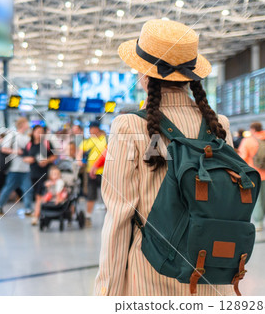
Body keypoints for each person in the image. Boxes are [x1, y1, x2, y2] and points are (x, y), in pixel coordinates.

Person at [95, 19, 235, 296]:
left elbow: (120, 216)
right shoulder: (220, 125)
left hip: (149, 270)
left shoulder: (128, 125)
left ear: (144, 75)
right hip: (207, 270)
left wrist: (106, 292)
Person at [238, 122, 265, 231]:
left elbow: (242, 157)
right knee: (263, 198)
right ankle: (260, 220)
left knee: (256, 198)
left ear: (252, 129)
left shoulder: (248, 141)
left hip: (254, 173)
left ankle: (258, 222)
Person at [0, 117, 33, 216]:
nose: (28, 125)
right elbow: (3, 148)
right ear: (21, 124)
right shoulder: (12, 136)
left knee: (28, 189)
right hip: (14, 168)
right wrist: (16, 152)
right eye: (26, 123)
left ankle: (28, 208)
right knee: (8, 188)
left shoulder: (28, 137)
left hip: (25, 168)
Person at [23, 125, 56, 225]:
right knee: (38, 195)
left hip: (45, 173)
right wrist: (31, 159)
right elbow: (24, 157)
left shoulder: (47, 144)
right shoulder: (29, 145)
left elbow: (54, 156)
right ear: (33, 133)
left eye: (41, 132)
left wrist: (47, 160)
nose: (39, 134)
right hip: (34, 173)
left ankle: (36, 216)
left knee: (39, 195)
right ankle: (41, 214)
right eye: (37, 131)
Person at [76, 121, 107, 226]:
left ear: (97, 128)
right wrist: (79, 160)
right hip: (91, 172)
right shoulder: (87, 141)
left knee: (107, 196)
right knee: (91, 195)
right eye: (89, 129)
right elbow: (79, 153)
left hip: (105, 173)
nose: (90, 131)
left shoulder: (105, 139)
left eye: (92, 128)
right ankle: (88, 217)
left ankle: (109, 217)